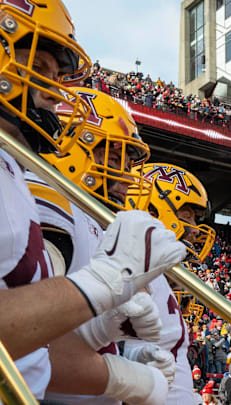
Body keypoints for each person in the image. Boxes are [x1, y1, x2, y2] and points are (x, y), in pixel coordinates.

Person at [0, 0, 185, 400]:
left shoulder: (10, 170)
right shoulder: (47, 198)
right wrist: (104, 283)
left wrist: (99, 335)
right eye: (42, 70)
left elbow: (34, 345)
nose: (54, 94)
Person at [33, 88, 174, 404]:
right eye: (113, 157)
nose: (126, 174)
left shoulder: (90, 218)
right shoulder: (51, 202)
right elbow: (27, 337)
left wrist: (111, 345)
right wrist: (123, 377)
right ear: (68, 145)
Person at [124, 162, 217, 404]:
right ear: (151, 211)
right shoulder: (131, 266)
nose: (195, 230)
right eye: (187, 217)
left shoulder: (156, 272)